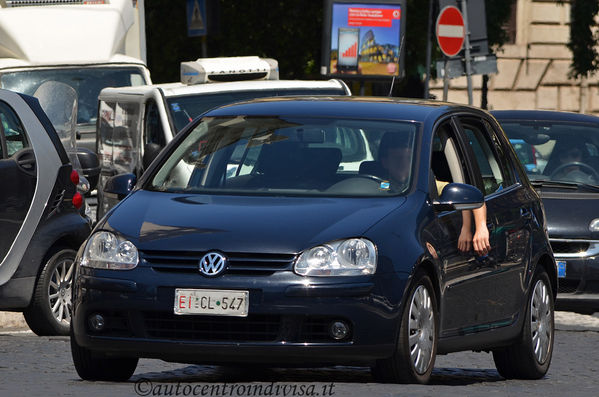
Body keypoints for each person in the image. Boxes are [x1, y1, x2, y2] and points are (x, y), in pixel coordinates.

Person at [379, 132, 490, 256]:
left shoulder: (425, 184)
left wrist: (475, 228)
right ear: (385, 162)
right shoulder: (373, 185)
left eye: (408, 159)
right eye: (398, 159)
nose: (404, 164)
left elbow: (470, 198)